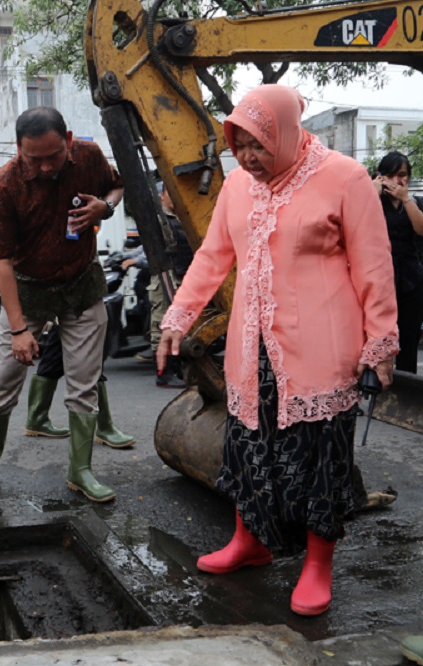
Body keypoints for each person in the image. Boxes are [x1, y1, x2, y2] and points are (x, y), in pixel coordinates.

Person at [157, 85, 398, 617]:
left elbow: (375, 267)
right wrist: (177, 317)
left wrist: (381, 342)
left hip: (321, 347)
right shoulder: (239, 187)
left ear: (283, 132)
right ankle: (251, 541)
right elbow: (212, 258)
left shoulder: (343, 177)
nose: (246, 157)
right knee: (247, 444)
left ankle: (317, 564)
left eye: (257, 145)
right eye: (238, 145)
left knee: (318, 456)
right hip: (252, 344)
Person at [0, 106, 124, 503]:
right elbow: (1, 261)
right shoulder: (5, 185)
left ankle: (80, 471)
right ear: (19, 149)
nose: (47, 166)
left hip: (81, 287)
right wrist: (18, 329)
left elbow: (115, 186)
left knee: (84, 382)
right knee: (3, 383)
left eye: (54, 155)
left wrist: (106, 206)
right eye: (35, 158)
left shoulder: (88, 156)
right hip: (28, 293)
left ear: (67, 140)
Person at [23, 325, 135, 449]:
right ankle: (105, 428)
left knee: (55, 355)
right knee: (90, 361)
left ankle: (37, 418)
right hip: (82, 312)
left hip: (68, 311)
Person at [373, 151, 423, 374]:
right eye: (391, 175)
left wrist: (405, 198)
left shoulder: (415, 203)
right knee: (379, 341)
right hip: (381, 282)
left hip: (411, 281)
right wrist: (370, 193)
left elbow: (420, 229)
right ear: (381, 177)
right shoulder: (374, 202)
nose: (397, 181)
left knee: (409, 340)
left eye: (402, 175)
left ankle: (406, 395)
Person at [149, 180, 192, 388]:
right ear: (162, 196)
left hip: (183, 276)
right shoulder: (157, 220)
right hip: (166, 277)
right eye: (170, 193)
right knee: (162, 322)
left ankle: (177, 370)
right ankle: (163, 372)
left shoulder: (185, 219)